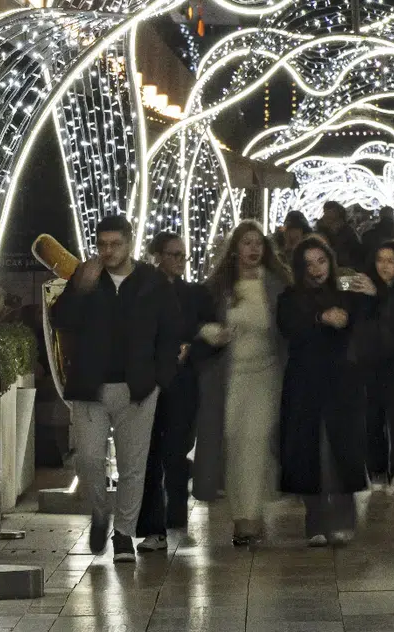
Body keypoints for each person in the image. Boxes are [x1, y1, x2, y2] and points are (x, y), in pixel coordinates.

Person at [50, 214, 182, 563]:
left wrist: (159, 379)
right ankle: (99, 511)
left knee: (133, 465)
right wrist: (80, 288)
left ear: (129, 242)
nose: (107, 251)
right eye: (102, 244)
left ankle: (123, 534)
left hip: (137, 387)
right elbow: (60, 320)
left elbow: (170, 331)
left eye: (115, 244)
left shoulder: (152, 281)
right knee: (89, 460)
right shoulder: (85, 276)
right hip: (90, 386)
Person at [192, 221, 291, 545]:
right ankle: (242, 512)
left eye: (258, 243)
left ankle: (250, 517)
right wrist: (211, 332)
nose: (252, 249)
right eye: (246, 243)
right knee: (234, 440)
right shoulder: (219, 287)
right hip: (231, 375)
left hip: (267, 374)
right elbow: (196, 321)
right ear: (236, 248)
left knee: (257, 440)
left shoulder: (276, 285)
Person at [277, 236, 374, 544]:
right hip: (305, 379)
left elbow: (368, 320)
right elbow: (289, 325)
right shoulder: (291, 296)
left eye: (321, 261)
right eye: (309, 264)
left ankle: (345, 514)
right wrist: (320, 318)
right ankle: (315, 519)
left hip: (341, 379)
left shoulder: (345, 291)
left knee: (344, 445)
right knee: (307, 447)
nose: (316, 269)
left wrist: (371, 295)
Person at [134, 232, 217, 547]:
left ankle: (176, 515)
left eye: (183, 255)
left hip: (182, 382)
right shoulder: (143, 291)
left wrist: (191, 347)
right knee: (152, 450)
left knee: (177, 448)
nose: (181, 261)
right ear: (158, 255)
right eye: (174, 254)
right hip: (152, 380)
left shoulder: (194, 294)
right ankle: (155, 524)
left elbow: (206, 337)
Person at [353, 239, 394, 493]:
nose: (384, 266)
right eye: (380, 260)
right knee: (372, 415)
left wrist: (379, 295)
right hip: (371, 359)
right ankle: (376, 468)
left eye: (390, 261)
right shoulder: (366, 288)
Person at [316, 200, 365, 270]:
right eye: (326, 211)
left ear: (337, 213)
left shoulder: (347, 230)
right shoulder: (321, 230)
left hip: (347, 267)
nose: (327, 214)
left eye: (331, 211)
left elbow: (356, 250)